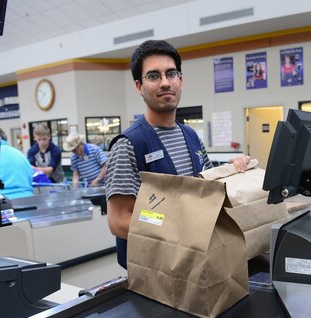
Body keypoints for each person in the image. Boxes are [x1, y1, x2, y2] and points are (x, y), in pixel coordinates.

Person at [105, 39, 250, 269]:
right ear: (138, 86)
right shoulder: (129, 145)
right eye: (153, 76)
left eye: (171, 74)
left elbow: (208, 188)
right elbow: (119, 220)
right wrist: (171, 225)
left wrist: (233, 171)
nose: (165, 82)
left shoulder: (191, 136)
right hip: (153, 270)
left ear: (180, 81)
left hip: (194, 261)